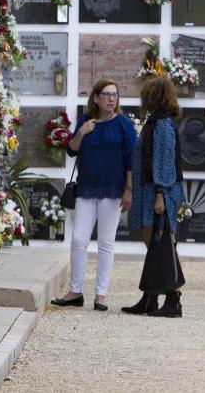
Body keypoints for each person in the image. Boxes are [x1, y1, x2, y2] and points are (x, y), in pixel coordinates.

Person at [51, 78, 137, 311]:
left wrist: (129, 190)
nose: (111, 98)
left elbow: (131, 160)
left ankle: (101, 294)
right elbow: (71, 150)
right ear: (96, 98)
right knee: (79, 239)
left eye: (115, 94)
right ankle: (75, 291)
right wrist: (81, 132)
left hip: (112, 190)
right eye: (107, 94)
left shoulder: (124, 125)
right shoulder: (86, 121)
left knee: (106, 243)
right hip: (87, 188)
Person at [122, 77, 186, 317]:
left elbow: (165, 162)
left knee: (164, 245)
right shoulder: (155, 122)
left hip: (159, 193)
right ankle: (150, 298)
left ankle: (173, 301)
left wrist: (160, 194)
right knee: (155, 246)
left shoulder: (162, 125)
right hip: (149, 192)